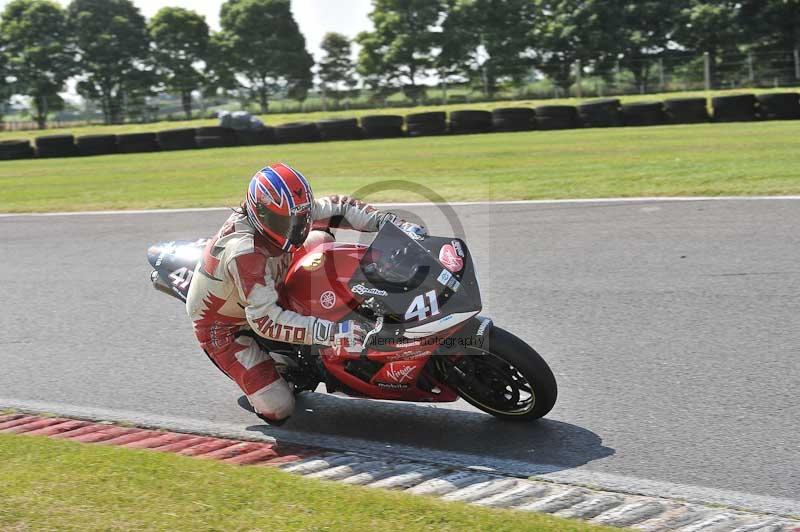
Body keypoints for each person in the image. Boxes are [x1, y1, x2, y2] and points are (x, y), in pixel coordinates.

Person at [186, 163, 426, 424]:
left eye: (301, 217)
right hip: (227, 325)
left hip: (269, 282)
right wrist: (331, 333)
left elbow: (340, 206)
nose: (297, 227)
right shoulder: (245, 252)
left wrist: (391, 223)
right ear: (261, 214)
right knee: (279, 407)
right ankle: (279, 365)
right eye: (286, 222)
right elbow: (264, 321)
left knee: (320, 240)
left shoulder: (289, 214)